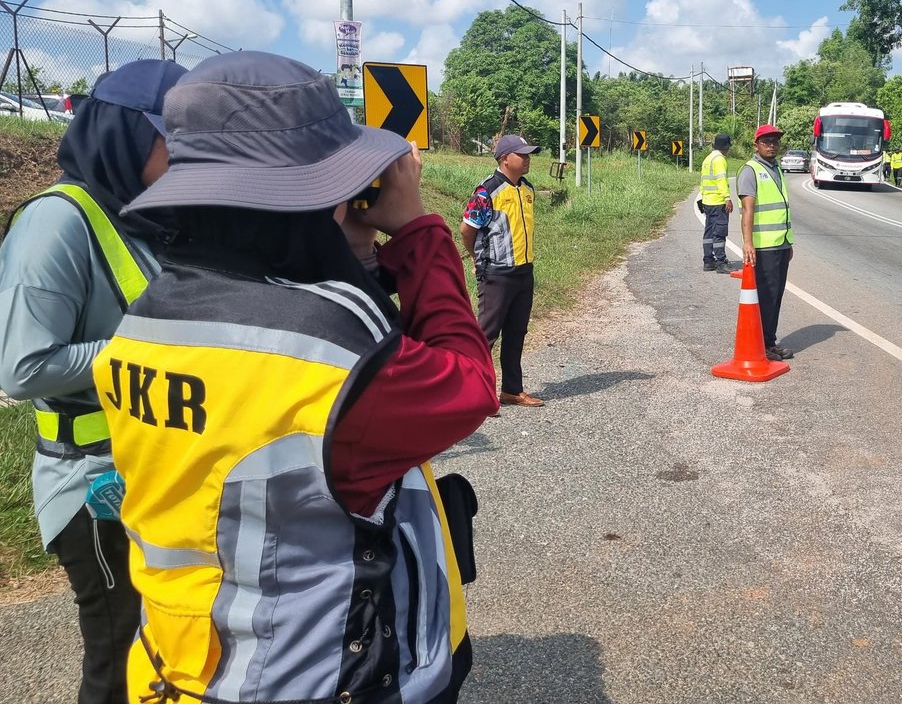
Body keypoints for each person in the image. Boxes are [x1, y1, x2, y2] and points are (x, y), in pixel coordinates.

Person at [91, 51, 498, 704]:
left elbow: (274, 307)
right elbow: (470, 382)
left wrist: (349, 250)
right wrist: (418, 230)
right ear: (319, 196)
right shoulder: (332, 362)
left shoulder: (147, 318)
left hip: (176, 667)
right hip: (315, 675)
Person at [0, 59, 188, 704]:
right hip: (94, 483)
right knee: (118, 652)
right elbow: (22, 367)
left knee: (170, 648)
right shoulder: (57, 222)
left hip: (153, 470)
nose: (186, 155)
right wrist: (144, 349)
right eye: (173, 138)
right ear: (127, 135)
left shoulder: (146, 215)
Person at [461, 134, 544, 407]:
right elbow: (467, 229)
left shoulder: (527, 189)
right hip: (496, 273)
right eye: (522, 155)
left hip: (523, 271)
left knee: (516, 332)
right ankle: (475, 393)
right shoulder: (487, 191)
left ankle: (511, 390)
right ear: (504, 158)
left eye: (529, 154)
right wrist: (476, 257)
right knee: (486, 334)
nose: (528, 159)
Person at [738, 124, 795, 362]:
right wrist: (748, 243)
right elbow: (747, 210)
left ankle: (769, 341)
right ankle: (763, 344)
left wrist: (788, 243)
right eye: (766, 141)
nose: (772, 145)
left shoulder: (776, 169)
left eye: (775, 141)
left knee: (776, 296)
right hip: (763, 246)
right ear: (756, 145)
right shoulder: (750, 171)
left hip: (780, 244)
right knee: (767, 296)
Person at [699, 133, 738, 273]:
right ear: (726, 147)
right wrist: (727, 198)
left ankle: (708, 261)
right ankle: (721, 262)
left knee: (709, 232)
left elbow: (703, 181)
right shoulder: (720, 159)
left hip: (708, 201)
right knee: (719, 232)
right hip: (718, 202)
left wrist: (703, 198)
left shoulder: (708, 159)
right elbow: (721, 180)